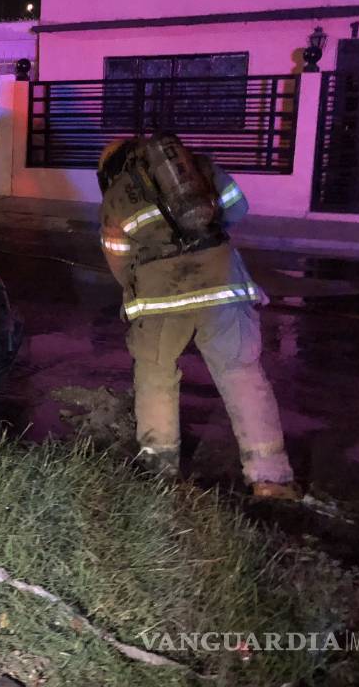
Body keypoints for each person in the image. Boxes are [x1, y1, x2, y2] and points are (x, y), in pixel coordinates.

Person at [97, 133, 300, 500]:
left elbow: (119, 260)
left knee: (156, 376)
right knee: (241, 375)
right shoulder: (197, 166)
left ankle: (159, 474)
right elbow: (237, 208)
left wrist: (141, 283)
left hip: (160, 300)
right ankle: (270, 478)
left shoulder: (116, 195)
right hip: (222, 287)